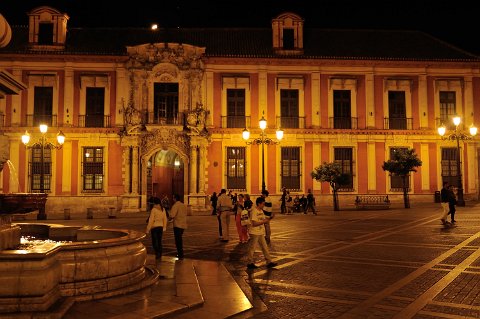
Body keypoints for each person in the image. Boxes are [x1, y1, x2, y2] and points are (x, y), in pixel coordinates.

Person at [246, 196, 277, 269]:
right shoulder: (254, 211)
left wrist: (271, 218)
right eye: (263, 204)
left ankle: (269, 262)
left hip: (260, 232)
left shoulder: (261, 211)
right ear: (258, 204)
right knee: (252, 248)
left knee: (265, 247)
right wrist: (263, 221)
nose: (264, 205)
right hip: (254, 232)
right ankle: (249, 263)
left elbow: (265, 220)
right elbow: (254, 223)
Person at [169, 193, 188, 259]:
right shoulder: (183, 205)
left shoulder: (175, 206)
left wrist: (168, 219)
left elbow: (172, 215)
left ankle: (180, 254)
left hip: (177, 225)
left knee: (178, 240)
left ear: (175, 198)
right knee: (180, 239)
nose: (172, 199)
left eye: (173, 198)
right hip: (183, 224)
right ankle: (180, 253)